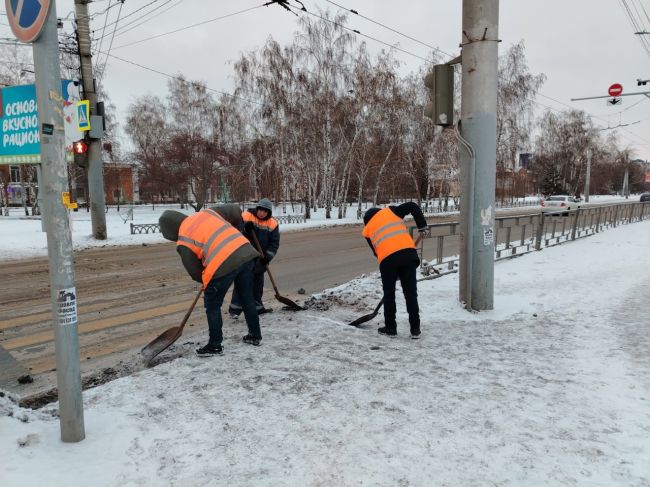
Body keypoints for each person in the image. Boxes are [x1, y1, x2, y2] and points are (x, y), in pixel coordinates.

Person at [159, 204, 263, 356]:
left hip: (224, 263)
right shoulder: (207, 213)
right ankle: (255, 335)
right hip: (245, 252)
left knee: (212, 304)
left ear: (171, 232)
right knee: (246, 297)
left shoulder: (183, 239)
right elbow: (235, 210)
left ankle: (215, 345)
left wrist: (208, 285)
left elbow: (195, 272)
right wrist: (235, 226)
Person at [362, 203, 429, 339]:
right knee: (411, 294)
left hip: (388, 260)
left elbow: (376, 252)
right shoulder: (391, 211)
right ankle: (415, 329)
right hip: (409, 255)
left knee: (389, 295)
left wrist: (392, 266)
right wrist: (422, 226)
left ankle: (391, 328)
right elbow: (412, 206)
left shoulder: (367, 230)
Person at [228, 198, 280, 317]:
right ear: (257, 209)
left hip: (260, 258)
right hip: (245, 256)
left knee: (257, 284)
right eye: (260, 210)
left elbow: (274, 243)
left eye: (265, 211)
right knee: (242, 283)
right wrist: (245, 228)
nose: (262, 213)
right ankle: (235, 310)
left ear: (269, 213)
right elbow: (235, 231)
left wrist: (267, 257)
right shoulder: (246, 217)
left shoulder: (272, 224)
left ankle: (258, 307)